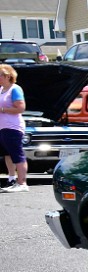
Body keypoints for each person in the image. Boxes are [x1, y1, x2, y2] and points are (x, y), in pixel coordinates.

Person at [0, 64, 28, 192]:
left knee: (17, 154)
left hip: (13, 127)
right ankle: (11, 178)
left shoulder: (15, 89)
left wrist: (2, 109)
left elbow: (20, 108)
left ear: (7, 76)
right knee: (7, 153)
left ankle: (22, 183)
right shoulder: (1, 90)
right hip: (3, 127)